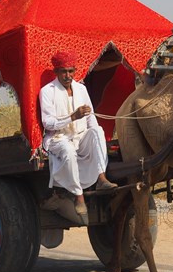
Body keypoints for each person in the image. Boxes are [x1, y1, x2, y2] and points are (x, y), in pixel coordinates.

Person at [39, 51, 116, 216]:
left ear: (75, 71)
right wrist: (73, 117)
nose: (68, 75)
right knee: (67, 150)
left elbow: (91, 117)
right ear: (56, 72)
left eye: (71, 71)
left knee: (97, 130)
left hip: (80, 136)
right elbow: (48, 123)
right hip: (58, 138)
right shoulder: (47, 91)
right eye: (63, 71)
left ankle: (101, 178)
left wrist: (95, 132)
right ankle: (78, 195)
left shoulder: (81, 89)